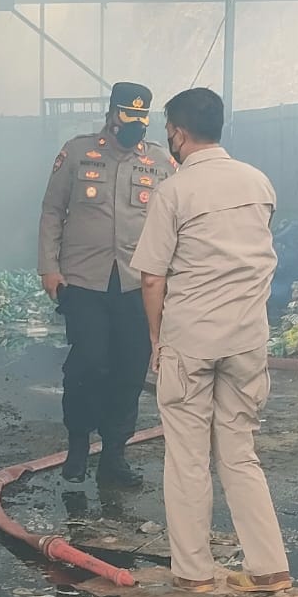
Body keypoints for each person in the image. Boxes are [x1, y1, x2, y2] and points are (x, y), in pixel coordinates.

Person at [130, 87, 291, 591]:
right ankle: (270, 569)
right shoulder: (258, 182)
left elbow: (152, 277)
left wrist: (157, 339)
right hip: (247, 341)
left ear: (177, 133)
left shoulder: (174, 191)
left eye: (168, 132)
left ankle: (194, 574)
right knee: (240, 453)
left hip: (191, 341)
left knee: (188, 459)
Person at [38, 81, 176, 487]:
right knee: (90, 363)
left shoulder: (160, 162)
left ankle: (115, 453)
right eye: (126, 117)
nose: (133, 126)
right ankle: (79, 441)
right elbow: (52, 210)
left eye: (140, 120)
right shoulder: (79, 152)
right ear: (112, 115)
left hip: (138, 283)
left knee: (131, 368)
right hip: (84, 279)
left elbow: (173, 223)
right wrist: (49, 267)